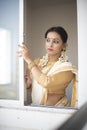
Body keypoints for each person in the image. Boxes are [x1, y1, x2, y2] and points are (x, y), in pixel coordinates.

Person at [17, 26, 78, 108]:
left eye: (56, 41)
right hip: (36, 110)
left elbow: (46, 83)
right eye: (48, 40)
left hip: (57, 111)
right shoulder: (38, 63)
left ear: (64, 46)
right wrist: (29, 85)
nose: (50, 44)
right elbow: (39, 89)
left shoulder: (67, 68)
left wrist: (28, 60)